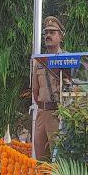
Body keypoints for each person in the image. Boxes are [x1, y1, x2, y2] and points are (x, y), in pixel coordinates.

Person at [32, 16, 65, 160]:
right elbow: (35, 90)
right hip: (41, 113)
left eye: (52, 32)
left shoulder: (67, 59)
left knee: (58, 160)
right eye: (46, 33)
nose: (48, 36)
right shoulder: (38, 61)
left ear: (60, 36)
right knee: (41, 159)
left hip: (57, 114)